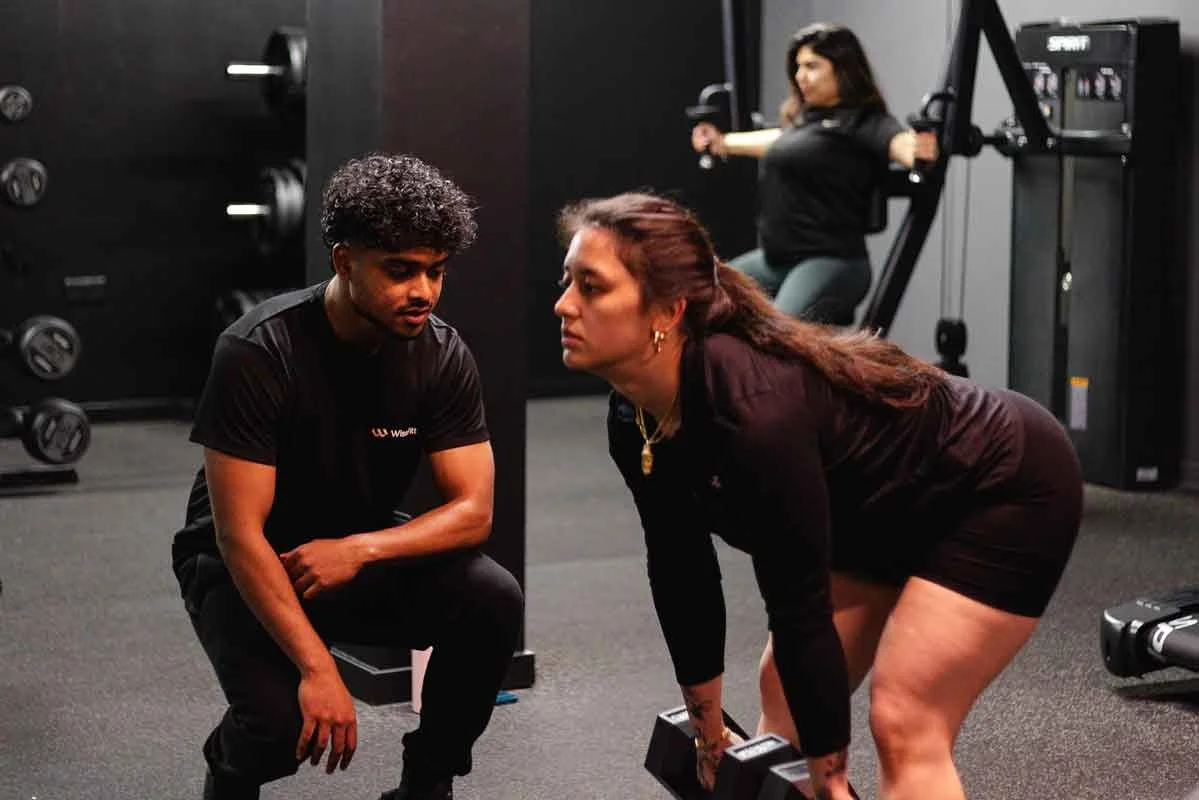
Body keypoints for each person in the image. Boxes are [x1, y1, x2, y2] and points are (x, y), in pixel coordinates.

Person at [552, 191, 1082, 800]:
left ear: (667, 312)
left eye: (591, 287)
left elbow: (798, 607)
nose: (563, 304)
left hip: (999, 485)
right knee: (783, 703)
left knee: (905, 719)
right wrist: (707, 727)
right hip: (878, 509)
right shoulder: (635, 415)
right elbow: (681, 569)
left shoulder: (753, 416)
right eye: (568, 281)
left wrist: (830, 780)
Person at [171, 153, 524, 800]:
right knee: (279, 729)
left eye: (435, 271)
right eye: (399, 271)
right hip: (243, 563)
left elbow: (473, 511)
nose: (422, 290)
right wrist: (317, 668)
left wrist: (361, 548)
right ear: (342, 262)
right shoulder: (257, 351)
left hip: (350, 551)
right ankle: (231, 768)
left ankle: (426, 786)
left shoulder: (441, 355)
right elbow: (238, 534)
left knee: (492, 597)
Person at [691, 22, 938, 325]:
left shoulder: (865, 121)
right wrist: (722, 142)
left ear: (843, 69)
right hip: (775, 261)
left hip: (832, 262)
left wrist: (921, 148)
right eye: (798, 67)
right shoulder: (805, 122)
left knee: (777, 335)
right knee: (698, 301)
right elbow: (778, 142)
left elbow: (902, 146)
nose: (800, 77)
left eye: (812, 66)